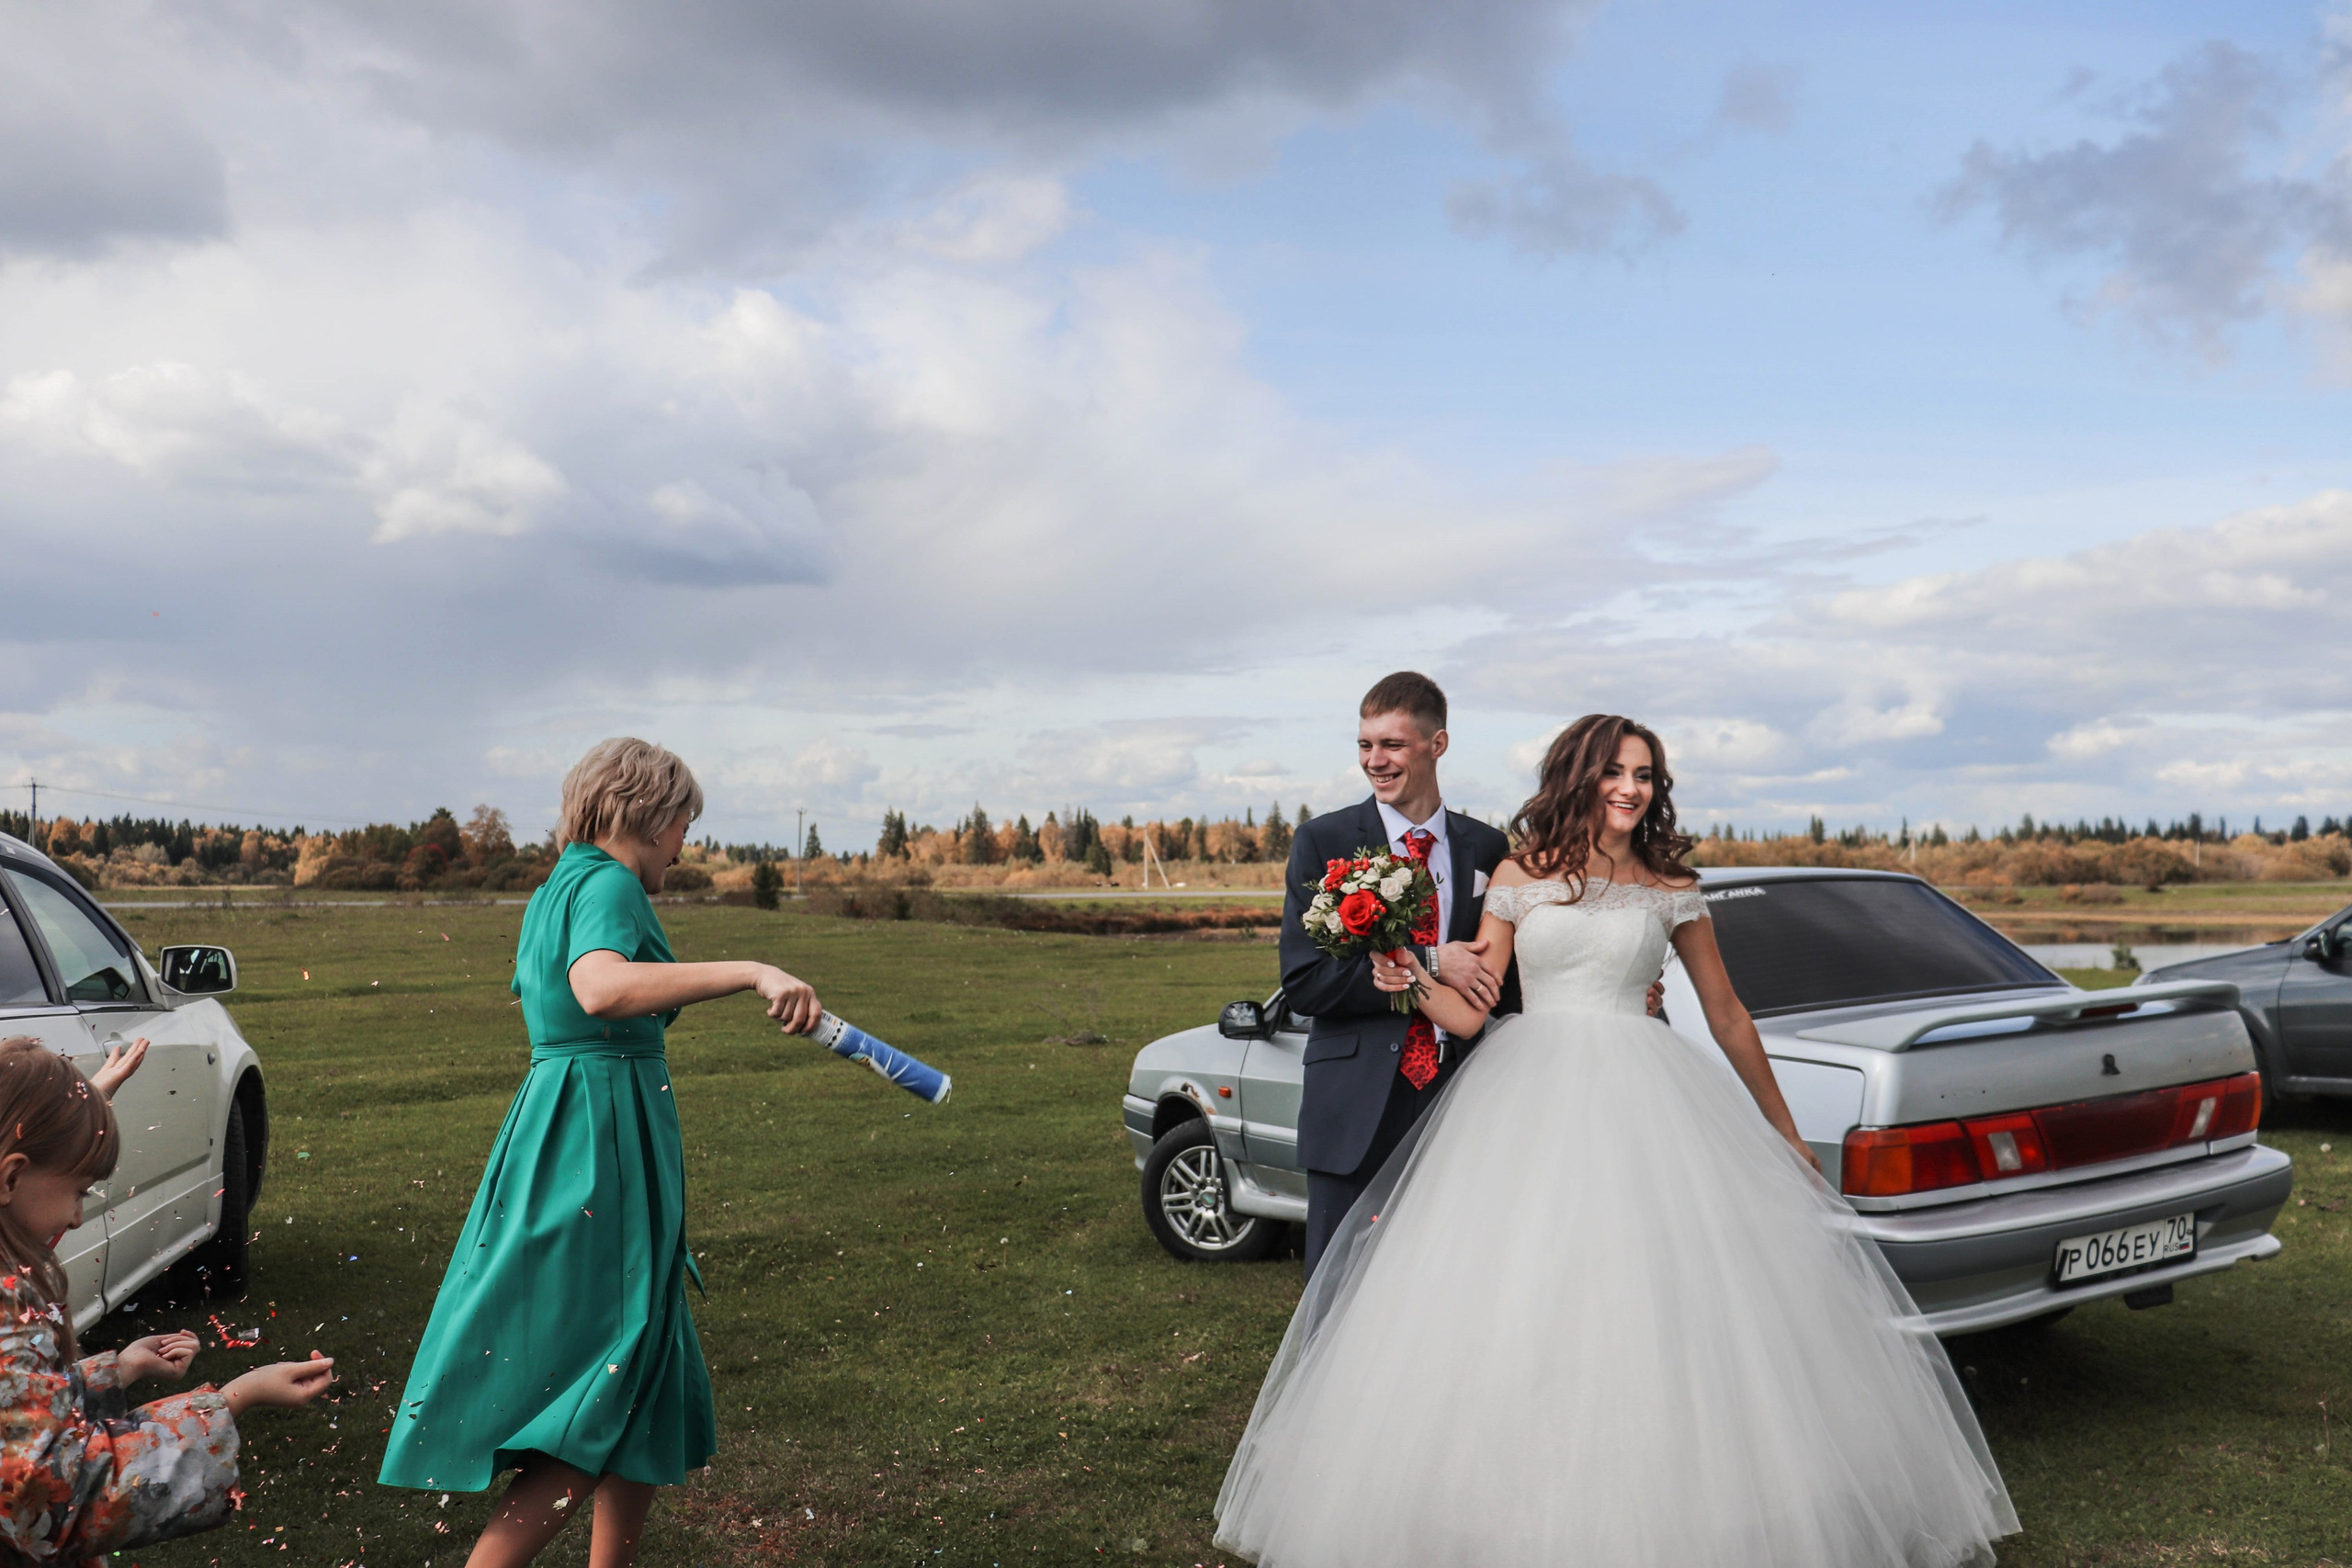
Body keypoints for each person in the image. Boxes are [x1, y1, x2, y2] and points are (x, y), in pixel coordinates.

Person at [1217, 715, 2018, 1567]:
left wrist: (1784, 1132)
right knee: (1519, 1296)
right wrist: (1407, 975)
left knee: (1659, 1298)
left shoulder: (1672, 885)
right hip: (1524, 1100)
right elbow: (1471, 1010)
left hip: (1649, 1102)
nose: (1631, 787)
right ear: (1580, 777)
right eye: (1614, 772)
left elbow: (1728, 1013)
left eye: (1644, 774)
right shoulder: (1518, 875)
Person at [379, 738, 824, 1568]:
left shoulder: (558, 887)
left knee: (648, 1364)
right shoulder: (611, 883)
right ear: (651, 815)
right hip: (599, 1140)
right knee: (607, 1371)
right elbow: (599, 987)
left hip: (570, 1125)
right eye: (685, 823)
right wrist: (752, 969)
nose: (686, 844)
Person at [0, 1037, 334, 1566]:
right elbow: (55, 1501)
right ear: (11, 1175)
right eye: (79, 1191)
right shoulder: (8, 1313)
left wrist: (119, 1370)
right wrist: (229, 1402)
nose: (76, 1219)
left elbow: (14, 1418)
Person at [1278, 673, 1517, 1278]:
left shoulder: (1488, 849)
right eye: (1364, 745)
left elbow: (1507, 982)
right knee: (1335, 1289)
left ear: (1437, 744)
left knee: (1449, 1283)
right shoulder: (1324, 841)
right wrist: (1431, 960)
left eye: (1391, 745)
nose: (1373, 761)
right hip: (1353, 1104)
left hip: (1462, 1100)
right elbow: (1306, 981)